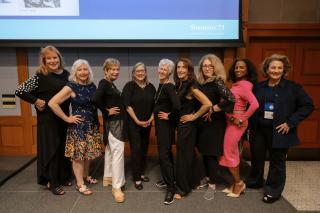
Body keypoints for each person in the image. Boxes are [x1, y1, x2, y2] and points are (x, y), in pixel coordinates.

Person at [246, 54, 314, 203]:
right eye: (273, 67)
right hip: (259, 130)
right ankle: (255, 181)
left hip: (279, 131)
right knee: (257, 158)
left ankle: (272, 191)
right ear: (267, 69)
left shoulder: (293, 88)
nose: (276, 70)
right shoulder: (258, 87)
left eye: (279, 68)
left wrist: (290, 123)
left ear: (284, 70)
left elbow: (308, 105)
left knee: (277, 162)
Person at [15, 45, 72, 195]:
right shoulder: (40, 75)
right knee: (52, 150)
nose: (53, 61)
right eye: (49, 58)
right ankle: (52, 183)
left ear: (59, 58)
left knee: (62, 149)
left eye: (55, 57)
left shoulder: (67, 74)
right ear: (44, 61)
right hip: (47, 119)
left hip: (64, 117)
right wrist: (35, 101)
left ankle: (62, 177)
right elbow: (20, 91)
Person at [48, 59, 103, 196]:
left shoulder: (92, 85)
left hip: (92, 125)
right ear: (75, 72)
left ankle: (86, 176)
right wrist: (67, 118)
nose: (83, 72)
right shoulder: (71, 86)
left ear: (88, 71)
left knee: (88, 155)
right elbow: (52, 103)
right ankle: (80, 184)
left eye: (85, 69)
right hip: (78, 127)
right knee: (78, 157)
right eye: (79, 70)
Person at [196, 54, 235, 200]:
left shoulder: (217, 82)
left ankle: (212, 184)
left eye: (210, 66)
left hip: (215, 124)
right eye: (204, 66)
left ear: (215, 68)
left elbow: (231, 99)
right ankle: (207, 177)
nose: (207, 68)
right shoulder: (201, 82)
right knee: (205, 153)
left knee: (212, 155)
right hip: (203, 123)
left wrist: (214, 108)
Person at [219, 59, 259, 198]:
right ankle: (235, 184)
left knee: (228, 153)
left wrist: (242, 118)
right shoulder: (237, 85)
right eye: (236, 67)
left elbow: (255, 104)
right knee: (233, 152)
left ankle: (239, 183)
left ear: (247, 70)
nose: (238, 69)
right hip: (231, 122)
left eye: (242, 67)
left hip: (236, 124)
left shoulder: (244, 85)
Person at [174, 58, 211, 200]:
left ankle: (183, 189)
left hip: (187, 126)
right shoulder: (180, 84)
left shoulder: (191, 86)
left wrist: (194, 116)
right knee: (188, 154)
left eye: (184, 67)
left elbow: (207, 104)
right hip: (182, 125)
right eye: (178, 67)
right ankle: (194, 181)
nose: (180, 70)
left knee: (183, 156)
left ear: (189, 70)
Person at [91, 58, 127, 203]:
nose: (115, 71)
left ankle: (108, 178)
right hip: (114, 123)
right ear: (105, 71)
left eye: (117, 69)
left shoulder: (110, 84)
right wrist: (106, 111)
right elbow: (95, 99)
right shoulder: (104, 83)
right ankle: (116, 187)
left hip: (115, 122)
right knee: (118, 152)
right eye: (112, 69)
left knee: (111, 151)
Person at [122, 62, 156, 190]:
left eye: (142, 71)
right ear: (134, 73)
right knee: (136, 150)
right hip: (134, 124)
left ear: (146, 72)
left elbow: (156, 105)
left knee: (144, 149)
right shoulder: (129, 86)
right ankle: (136, 178)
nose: (140, 73)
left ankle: (141, 173)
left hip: (147, 124)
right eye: (138, 71)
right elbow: (127, 105)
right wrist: (137, 120)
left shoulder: (151, 87)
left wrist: (151, 118)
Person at [153, 59, 180, 205]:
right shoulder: (161, 85)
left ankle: (171, 188)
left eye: (165, 69)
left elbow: (177, 106)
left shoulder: (169, 86)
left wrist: (169, 116)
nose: (161, 71)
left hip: (166, 127)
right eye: (160, 68)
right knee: (166, 154)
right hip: (160, 126)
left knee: (164, 156)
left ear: (169, 72)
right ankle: (168, 178)